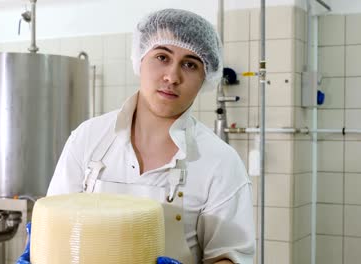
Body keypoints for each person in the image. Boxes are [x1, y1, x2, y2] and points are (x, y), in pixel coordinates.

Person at [17, 8, 255, 264]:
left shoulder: (220, 162)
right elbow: (53, 224)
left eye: (190, 64)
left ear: (205, 77)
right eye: (162, 57)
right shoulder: (88, 138)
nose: (172, 77)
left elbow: (230, 258)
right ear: (140, 59)